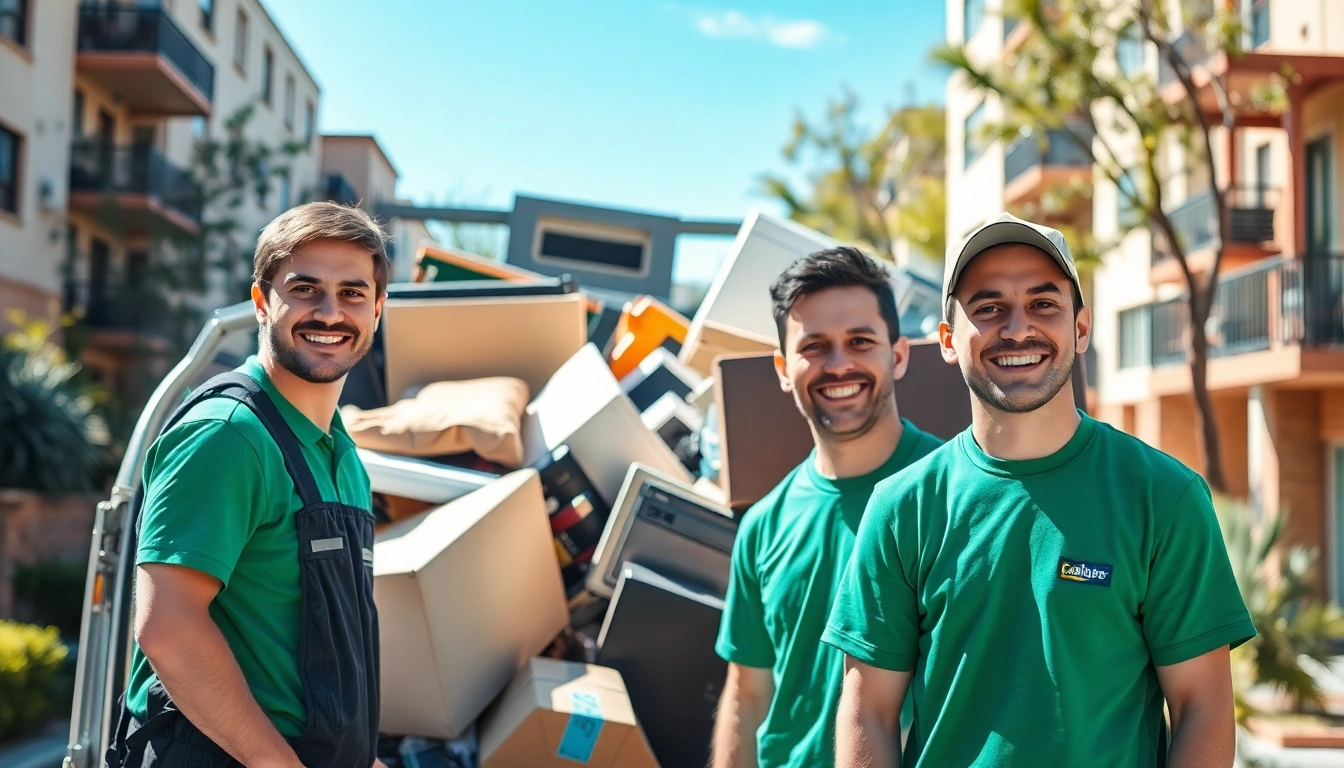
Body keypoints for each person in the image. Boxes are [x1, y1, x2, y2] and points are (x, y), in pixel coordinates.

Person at [823, 212, 1255, 767]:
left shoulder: (1164, 497)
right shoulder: (901, 508)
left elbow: (1204, 709)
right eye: (989, 308)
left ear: (1080, 328)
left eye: (1043, 304)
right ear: (950, 340)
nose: (1017, 327)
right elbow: (868, 715)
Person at [106, 202, 391, 768]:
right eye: (305, 289)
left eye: (353, 293)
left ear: (378, 309)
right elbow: (168, 627)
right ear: (262, 303)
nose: (330, 313)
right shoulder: (230, 436)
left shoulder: (342, 453)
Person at [711, 247, 943, 768]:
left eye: (860, 341)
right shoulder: (763, 525)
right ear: (782, 368)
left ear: (898, 355)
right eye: (814, 346)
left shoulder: (956, 494)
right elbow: (747, 696)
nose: (839, 364)